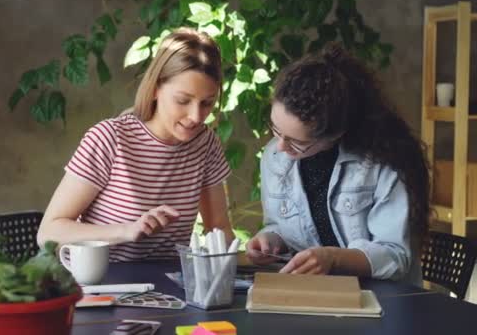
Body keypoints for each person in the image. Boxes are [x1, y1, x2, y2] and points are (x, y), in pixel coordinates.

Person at [37, 28, 234, 262]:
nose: (196, 116)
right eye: (183, 100)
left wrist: (250, 254)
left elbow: (219, 230)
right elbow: (48, 233)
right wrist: (126, 231)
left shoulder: (206, 144)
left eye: (207, 103)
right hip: (103, 286)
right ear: (154, 90)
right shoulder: (109, 138)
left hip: (168, 291)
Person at [246, 44, 429, 284]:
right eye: (275, 130)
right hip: (315, 297)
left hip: (383, 300)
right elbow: (279, 225)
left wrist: (333, 258)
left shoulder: (382, 163)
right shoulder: (275, 156)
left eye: (297, 142)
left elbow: (395, 256)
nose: (280, 147)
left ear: (335, 134)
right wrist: (270, 239)